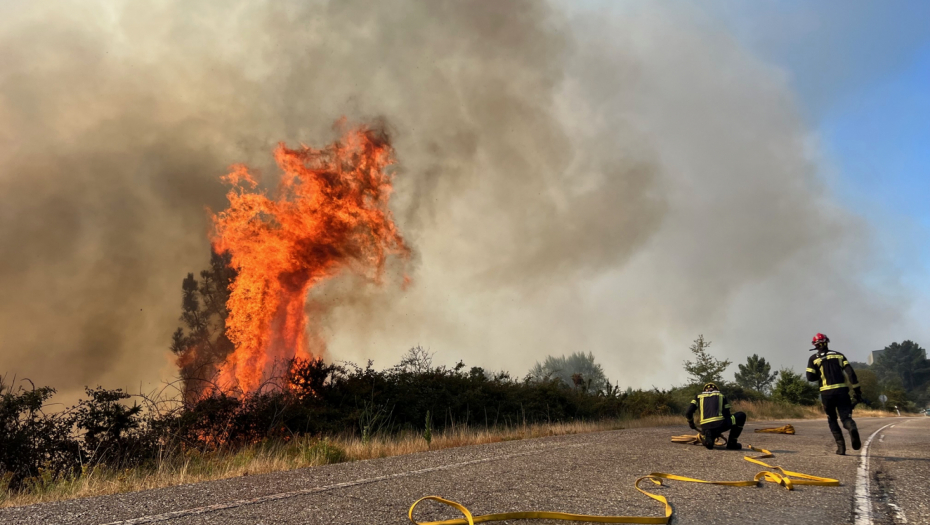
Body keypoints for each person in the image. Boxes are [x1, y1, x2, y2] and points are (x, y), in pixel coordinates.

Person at [806, 333, 862, 455]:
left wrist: (821, 375)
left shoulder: (813, 358)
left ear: (815, 345)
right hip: (842, 392)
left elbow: (809, 377)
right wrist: (857, 391)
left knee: (832, 419)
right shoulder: (839, 355)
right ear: (827, 342)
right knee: (846, 418)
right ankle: (851, 427)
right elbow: (851, 374)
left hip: (826, 393)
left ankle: (841, 448)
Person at [685, 382, 746, 450]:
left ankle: (708, 438)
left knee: (710, 435)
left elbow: (688, 412)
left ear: (705, 390)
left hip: (705, 427)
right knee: (741, 416)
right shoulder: (721, 395)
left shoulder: (698, 396)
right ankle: (732, 443)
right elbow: (727, 414)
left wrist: (691, 423)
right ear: (716, 389)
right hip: (720, 425)